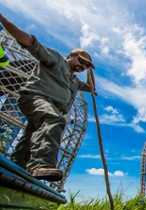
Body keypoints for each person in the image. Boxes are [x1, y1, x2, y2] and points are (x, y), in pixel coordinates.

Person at [0, 14, 95, 181]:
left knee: (31, 139)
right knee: (55, 119)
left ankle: (17, 169)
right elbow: (30, 42)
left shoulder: (75, 82)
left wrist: (89, 70)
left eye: (86, 65)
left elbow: (92, 89)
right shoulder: (56, 59)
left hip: (49, 106)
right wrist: (3, 19)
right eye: (81, 60)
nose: (82, 66)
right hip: (35, 97)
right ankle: (41, 164)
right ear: (71, 56)